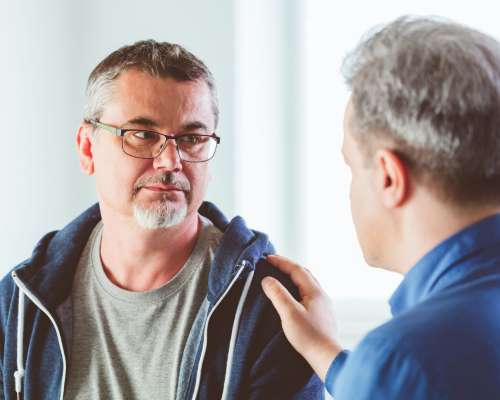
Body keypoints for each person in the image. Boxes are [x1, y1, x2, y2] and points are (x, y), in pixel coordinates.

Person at [0, 40, 323, 400]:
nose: (170, 161)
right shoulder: (20, 300)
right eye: (142, 135)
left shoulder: (268, 304)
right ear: (87, 149)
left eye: (192, 138)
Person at [261, 16, 500, 399]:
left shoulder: (405, 361)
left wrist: (377, 370)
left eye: (352, 167)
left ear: (389, 176)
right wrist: (325, 351)